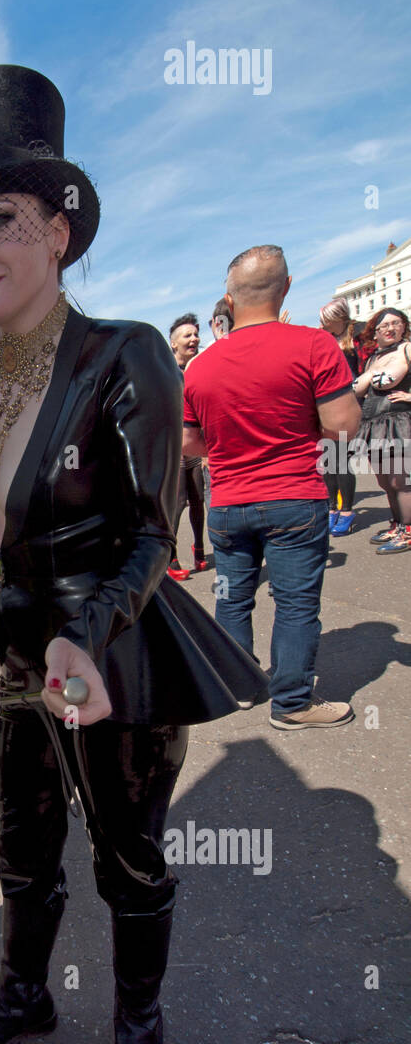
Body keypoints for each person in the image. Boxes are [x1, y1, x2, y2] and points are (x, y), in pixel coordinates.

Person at [0, 65, 268, 1044]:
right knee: (21, 837)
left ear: (60, 231)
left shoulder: (128, 355)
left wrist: (87, 634)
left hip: (116, 648)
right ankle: (23, 993)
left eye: (1, 220)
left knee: (129, 850)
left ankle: (139, 1023)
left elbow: (158, 532)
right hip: (23, 657)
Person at [183, 245, 361, 729]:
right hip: (293, 495)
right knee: (296, 602)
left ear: (229, 298)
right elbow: (344, 426)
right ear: (286, 288)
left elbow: (188, 443)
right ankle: (293, 702)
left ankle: (238, 688)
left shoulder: (199, 367)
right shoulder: (312, 345)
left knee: (232, 597)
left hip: (228, 502)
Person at [352, 307, 411, 553]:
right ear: (374, 333)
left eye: (396, 323)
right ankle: (397, 524)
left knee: (401, 481)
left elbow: (371, 383)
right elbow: (357, 389)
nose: (390, 328)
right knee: (385, 482)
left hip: (399, 422)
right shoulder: (373, 357)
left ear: (404, 326)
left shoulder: (406, 349)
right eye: (384, 325)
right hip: (374, 423)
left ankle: (408, 529)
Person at [168, 313, 206, 574]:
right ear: (173, 343)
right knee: (178, 502)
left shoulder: (200, 368)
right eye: (187, 335)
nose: (193, 339)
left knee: (198, 499)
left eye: (195, 334)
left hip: (195, 445)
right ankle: (170, 558)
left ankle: (200, 549)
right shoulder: (164, 370)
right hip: (172, 449)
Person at [318, 298, 360, 536]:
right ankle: (332, 507)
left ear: (340, 318)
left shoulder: (358, 339)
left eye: (327, 320)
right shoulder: (326, 340)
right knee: (328, 462)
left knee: (341, 460)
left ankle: (347, 510)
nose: (323, 324)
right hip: (326, 407)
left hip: (349, 405)